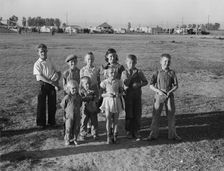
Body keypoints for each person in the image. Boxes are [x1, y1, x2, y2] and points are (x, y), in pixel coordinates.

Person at [147, 54, 181, 141]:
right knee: (156, 115)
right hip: (159, 95)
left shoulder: (172, 72)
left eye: (168, 61)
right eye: (165, 61)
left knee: (171, 115)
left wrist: (170, 91)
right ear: (161, 62)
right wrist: (158, 91)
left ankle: (172, 134)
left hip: (169, 95)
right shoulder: (157, 72)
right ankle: (153, 134)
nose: (167, 63)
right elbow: (151, 85)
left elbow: (176, 85)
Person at [33, 43, 61, 128]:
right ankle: (41, 123)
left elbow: (58, 72)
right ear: (38, 53)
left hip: (52, 84)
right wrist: (51, 82)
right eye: (41, 51)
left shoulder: (50, 61)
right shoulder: (37, 64)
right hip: (42, 85)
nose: (43, 53)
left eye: (44, 51)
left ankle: (51, 122)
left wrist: (56, 80)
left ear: (47, 51)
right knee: (41, 104)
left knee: (52, 104)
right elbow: (40, 76)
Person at [121, 54, 148, 140]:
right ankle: (129, 131)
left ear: (136, 62)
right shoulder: (124, 72)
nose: (131, 65)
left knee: (137, 113)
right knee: (129, 113)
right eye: (129, 63)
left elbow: (145, 82)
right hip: (128, 96)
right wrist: (131, 75)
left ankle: (136, 131)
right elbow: (125, 83)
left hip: (137, 96)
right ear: (126, 62)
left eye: (133, 63)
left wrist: (139, 84)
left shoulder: (139, 72)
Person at [100, 67, 124, 144]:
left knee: (116, 120)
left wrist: (118, 94)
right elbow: (101, 94)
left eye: (114, 72)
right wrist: (107, 94)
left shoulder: (119, 82)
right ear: (107, 74)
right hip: (108, 102)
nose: (113, 74)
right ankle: (108, 136)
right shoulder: (104, 82)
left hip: (116, 101)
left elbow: (122, 92)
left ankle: (115, 135)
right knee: (108, 119)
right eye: (111, 73)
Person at [80, 52, 100, 135]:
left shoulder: (96, 69)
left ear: (93, 59)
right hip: (85, 90)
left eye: (91, 59)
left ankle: (93, 127)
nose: (90, 60)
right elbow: (81, 82)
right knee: (86, 108)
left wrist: (99, 90)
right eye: (88, 59)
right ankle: (87, 127)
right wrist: (82, 91)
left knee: (93, 108)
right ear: (85, 60)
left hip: (94, 89)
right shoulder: (83, 70)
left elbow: (98, 80)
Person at [60, 80, 82, 146]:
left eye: (75, 88)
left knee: (76, 127)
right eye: (72, 88)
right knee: (68, 127)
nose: (74, 90)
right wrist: (64, 114)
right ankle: (67, 139)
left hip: (77, 115)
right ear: (69, 89)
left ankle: (75, 139)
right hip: (69, 116)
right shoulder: (67, 97)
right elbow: (63, 106)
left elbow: (80, 104)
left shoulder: (79, 97)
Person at [79, 76, 99, 140]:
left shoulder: (93, 90)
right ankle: (83, 134)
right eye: (86, 83)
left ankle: (95, 133)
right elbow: (81, 99)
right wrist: (88, 97)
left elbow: (96, 98)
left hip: (93, 108)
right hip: (84, 109)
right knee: (84, 121)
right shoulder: (81, 91)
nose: (88, 85)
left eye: (89, 83)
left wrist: (93, 97)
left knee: (94, 121)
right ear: (82, 84)